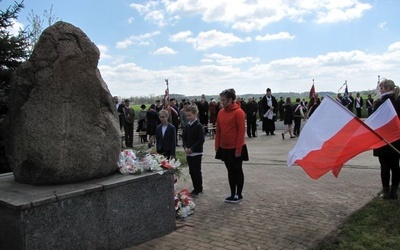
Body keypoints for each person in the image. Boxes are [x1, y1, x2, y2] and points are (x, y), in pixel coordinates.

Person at [215, 88, 248, 203]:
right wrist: (217, 146)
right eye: (221, 100)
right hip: (224, 147)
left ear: (230, 99)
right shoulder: (220, 112)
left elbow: (241, 132)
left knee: (237, 170)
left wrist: (238, 149)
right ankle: (232, 193)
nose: (222, 102)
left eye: (224, 100)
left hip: (236, 147)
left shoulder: (239, 112)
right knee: (230, 171)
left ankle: (239, 194)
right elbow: (218, 131)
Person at [373, 79, 400, 200]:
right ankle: (394, 192)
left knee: (384, 167)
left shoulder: (380, 103)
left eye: (382, 87)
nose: (380, 90)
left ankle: (386, 192)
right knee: (395, 166)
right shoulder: (397, 101)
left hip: (383, 140)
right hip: (397, 139)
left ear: (388, 88)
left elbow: (374, 121)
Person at [182, 104, 205, 196]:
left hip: (196, 152)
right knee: (191, 171)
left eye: (190, 115)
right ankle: (195, 187)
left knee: (196, 171)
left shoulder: (199, 126)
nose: (188, 117)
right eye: (187, 116)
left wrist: (192, 148)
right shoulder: (187, 126)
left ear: (195, 114)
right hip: (188, 152)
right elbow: (184, 138)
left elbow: (201, 140)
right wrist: (185, 147)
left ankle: (199, 188)